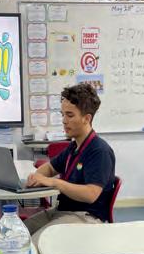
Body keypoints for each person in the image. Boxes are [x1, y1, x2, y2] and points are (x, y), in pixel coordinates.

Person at [24, 83, 116, 243]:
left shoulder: (99, 151)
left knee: (36, 244)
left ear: (87, 118)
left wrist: (54, 182)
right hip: (63, 211)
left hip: (85, 217)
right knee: (19, 233)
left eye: (70, 115)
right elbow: (50, 167)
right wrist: (37, 176)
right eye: (62, 115)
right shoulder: (74, 146)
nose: (64, 121)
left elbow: (90, 194)